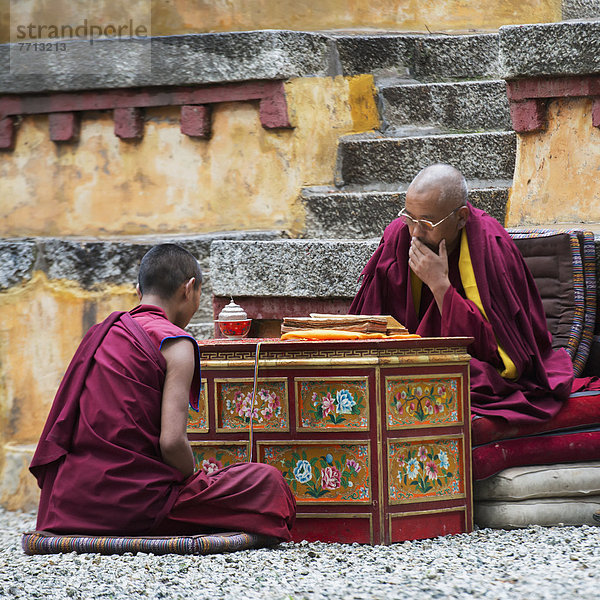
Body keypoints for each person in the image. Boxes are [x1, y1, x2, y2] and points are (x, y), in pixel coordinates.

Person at [30, 244, 295, 540]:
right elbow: (170, 443)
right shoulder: (176, 343)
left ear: (138, 290)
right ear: (190, 289)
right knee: (266, 481)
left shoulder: (103, 333)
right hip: (137, 504)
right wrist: (193, 481)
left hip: (72, 502)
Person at [350, 164, 574, 425]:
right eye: (409, 217)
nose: (415, 232)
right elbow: (374, 323)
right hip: (410, 360)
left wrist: (440, 286)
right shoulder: (399, 236)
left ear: (461, 217)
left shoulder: (491, 246)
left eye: (427, 223)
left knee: (466, 380)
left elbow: (497, 352)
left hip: (468, 361)